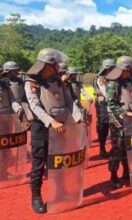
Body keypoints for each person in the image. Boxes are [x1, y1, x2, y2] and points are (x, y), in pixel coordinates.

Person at [24, 48, 78, 213]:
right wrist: (51, 121)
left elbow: (69, 101)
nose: (58, 66)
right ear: (47, 65)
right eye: (55, 63)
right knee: (39, 164)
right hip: (41, 128)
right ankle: (36, 197)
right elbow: (34, 106)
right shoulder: (31, 81)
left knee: (59, 161)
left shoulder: (59, 80)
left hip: (60, 127)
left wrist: (77, 118)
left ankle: (61, 191)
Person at [105, 56, 132, 188]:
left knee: (130, 147)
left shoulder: (130, 81)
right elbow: (111, 104)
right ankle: (114, 175)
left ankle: (127, 172)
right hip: (119, 122)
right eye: (130, 68)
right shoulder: (113, 83)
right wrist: (126, 113)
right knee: (117, 149)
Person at [93, 59, 115, 157]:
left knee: (114, 125)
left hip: (112, 104)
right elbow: (102, 93)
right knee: (104, 126)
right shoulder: (99, 79)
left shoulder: (114, 77)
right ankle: (102, 148)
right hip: (103, 105)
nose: (111, 69)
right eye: (110, 68)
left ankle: (114, 147)